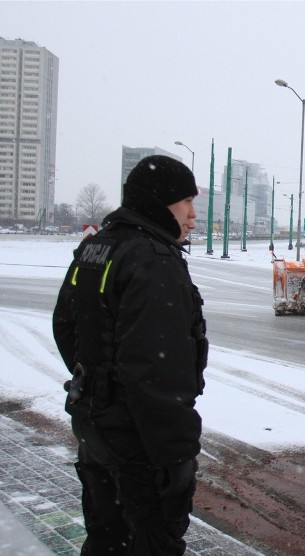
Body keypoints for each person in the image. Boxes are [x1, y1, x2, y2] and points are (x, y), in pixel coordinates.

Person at [53, 155, 208, 555]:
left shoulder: (98, 246)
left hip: (95, 426)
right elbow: (158, 371)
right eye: (186, 203)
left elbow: (66, 325)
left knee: (108, 538)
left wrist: (98, 383)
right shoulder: (153, 259)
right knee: (152, 542)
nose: (193, 216)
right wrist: (176, 457)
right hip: (140, 443)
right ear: (160, 204)